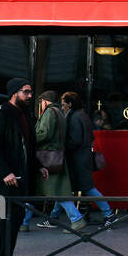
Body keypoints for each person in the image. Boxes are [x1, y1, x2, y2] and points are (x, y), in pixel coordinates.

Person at [0, 78, 37, 256]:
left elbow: (28, 147)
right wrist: (5, 172)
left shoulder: (24, 115)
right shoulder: (1, 114)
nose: (30, 96)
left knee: (13, 223)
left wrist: (39, 166)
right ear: (14, 93)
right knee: (6, 223)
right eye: (26, 92)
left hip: (19, 179)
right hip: (4, 182)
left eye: (30, 92)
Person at [62, 91, 118, 228]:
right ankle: (53, 216)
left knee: (87, 188)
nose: (62, 107)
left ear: (70, 104)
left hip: (78, 159)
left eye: (64, 104)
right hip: (84, 157)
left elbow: (75, 140)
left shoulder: (74, 117)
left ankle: (108, 214)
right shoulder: (83, 115)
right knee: (74, 188)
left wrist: (63, 146)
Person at [35, 91, 86, 231]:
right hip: (56, 155)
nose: (40, 104)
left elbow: (44, 133)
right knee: (55, 190)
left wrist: (30, 137)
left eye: (41, 102)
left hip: (47, 157)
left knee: (55, 191)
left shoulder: (49, 112)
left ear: (45, 101)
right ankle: (24, 222)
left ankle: (76, 219)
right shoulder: (59, 112)